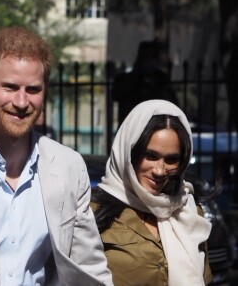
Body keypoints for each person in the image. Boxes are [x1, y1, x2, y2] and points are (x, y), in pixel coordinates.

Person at [0, 26, 113, 286]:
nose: (21, 102)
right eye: (9, 87)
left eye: (32, 89)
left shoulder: (67, 167)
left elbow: (88, 271)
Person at [91, 99, 212, 286]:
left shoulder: (189, 212)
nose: (159, 170)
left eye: (171, 159)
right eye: (150, 156)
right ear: (130, 152)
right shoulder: (92, 212)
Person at [112, 40, 178, 126]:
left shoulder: (162, 81)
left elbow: (172, 106)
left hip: (157, 127)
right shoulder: (127, 81)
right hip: (133, 127)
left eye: (152, 57)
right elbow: (116, 95)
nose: (149, 62)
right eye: (147, 57)